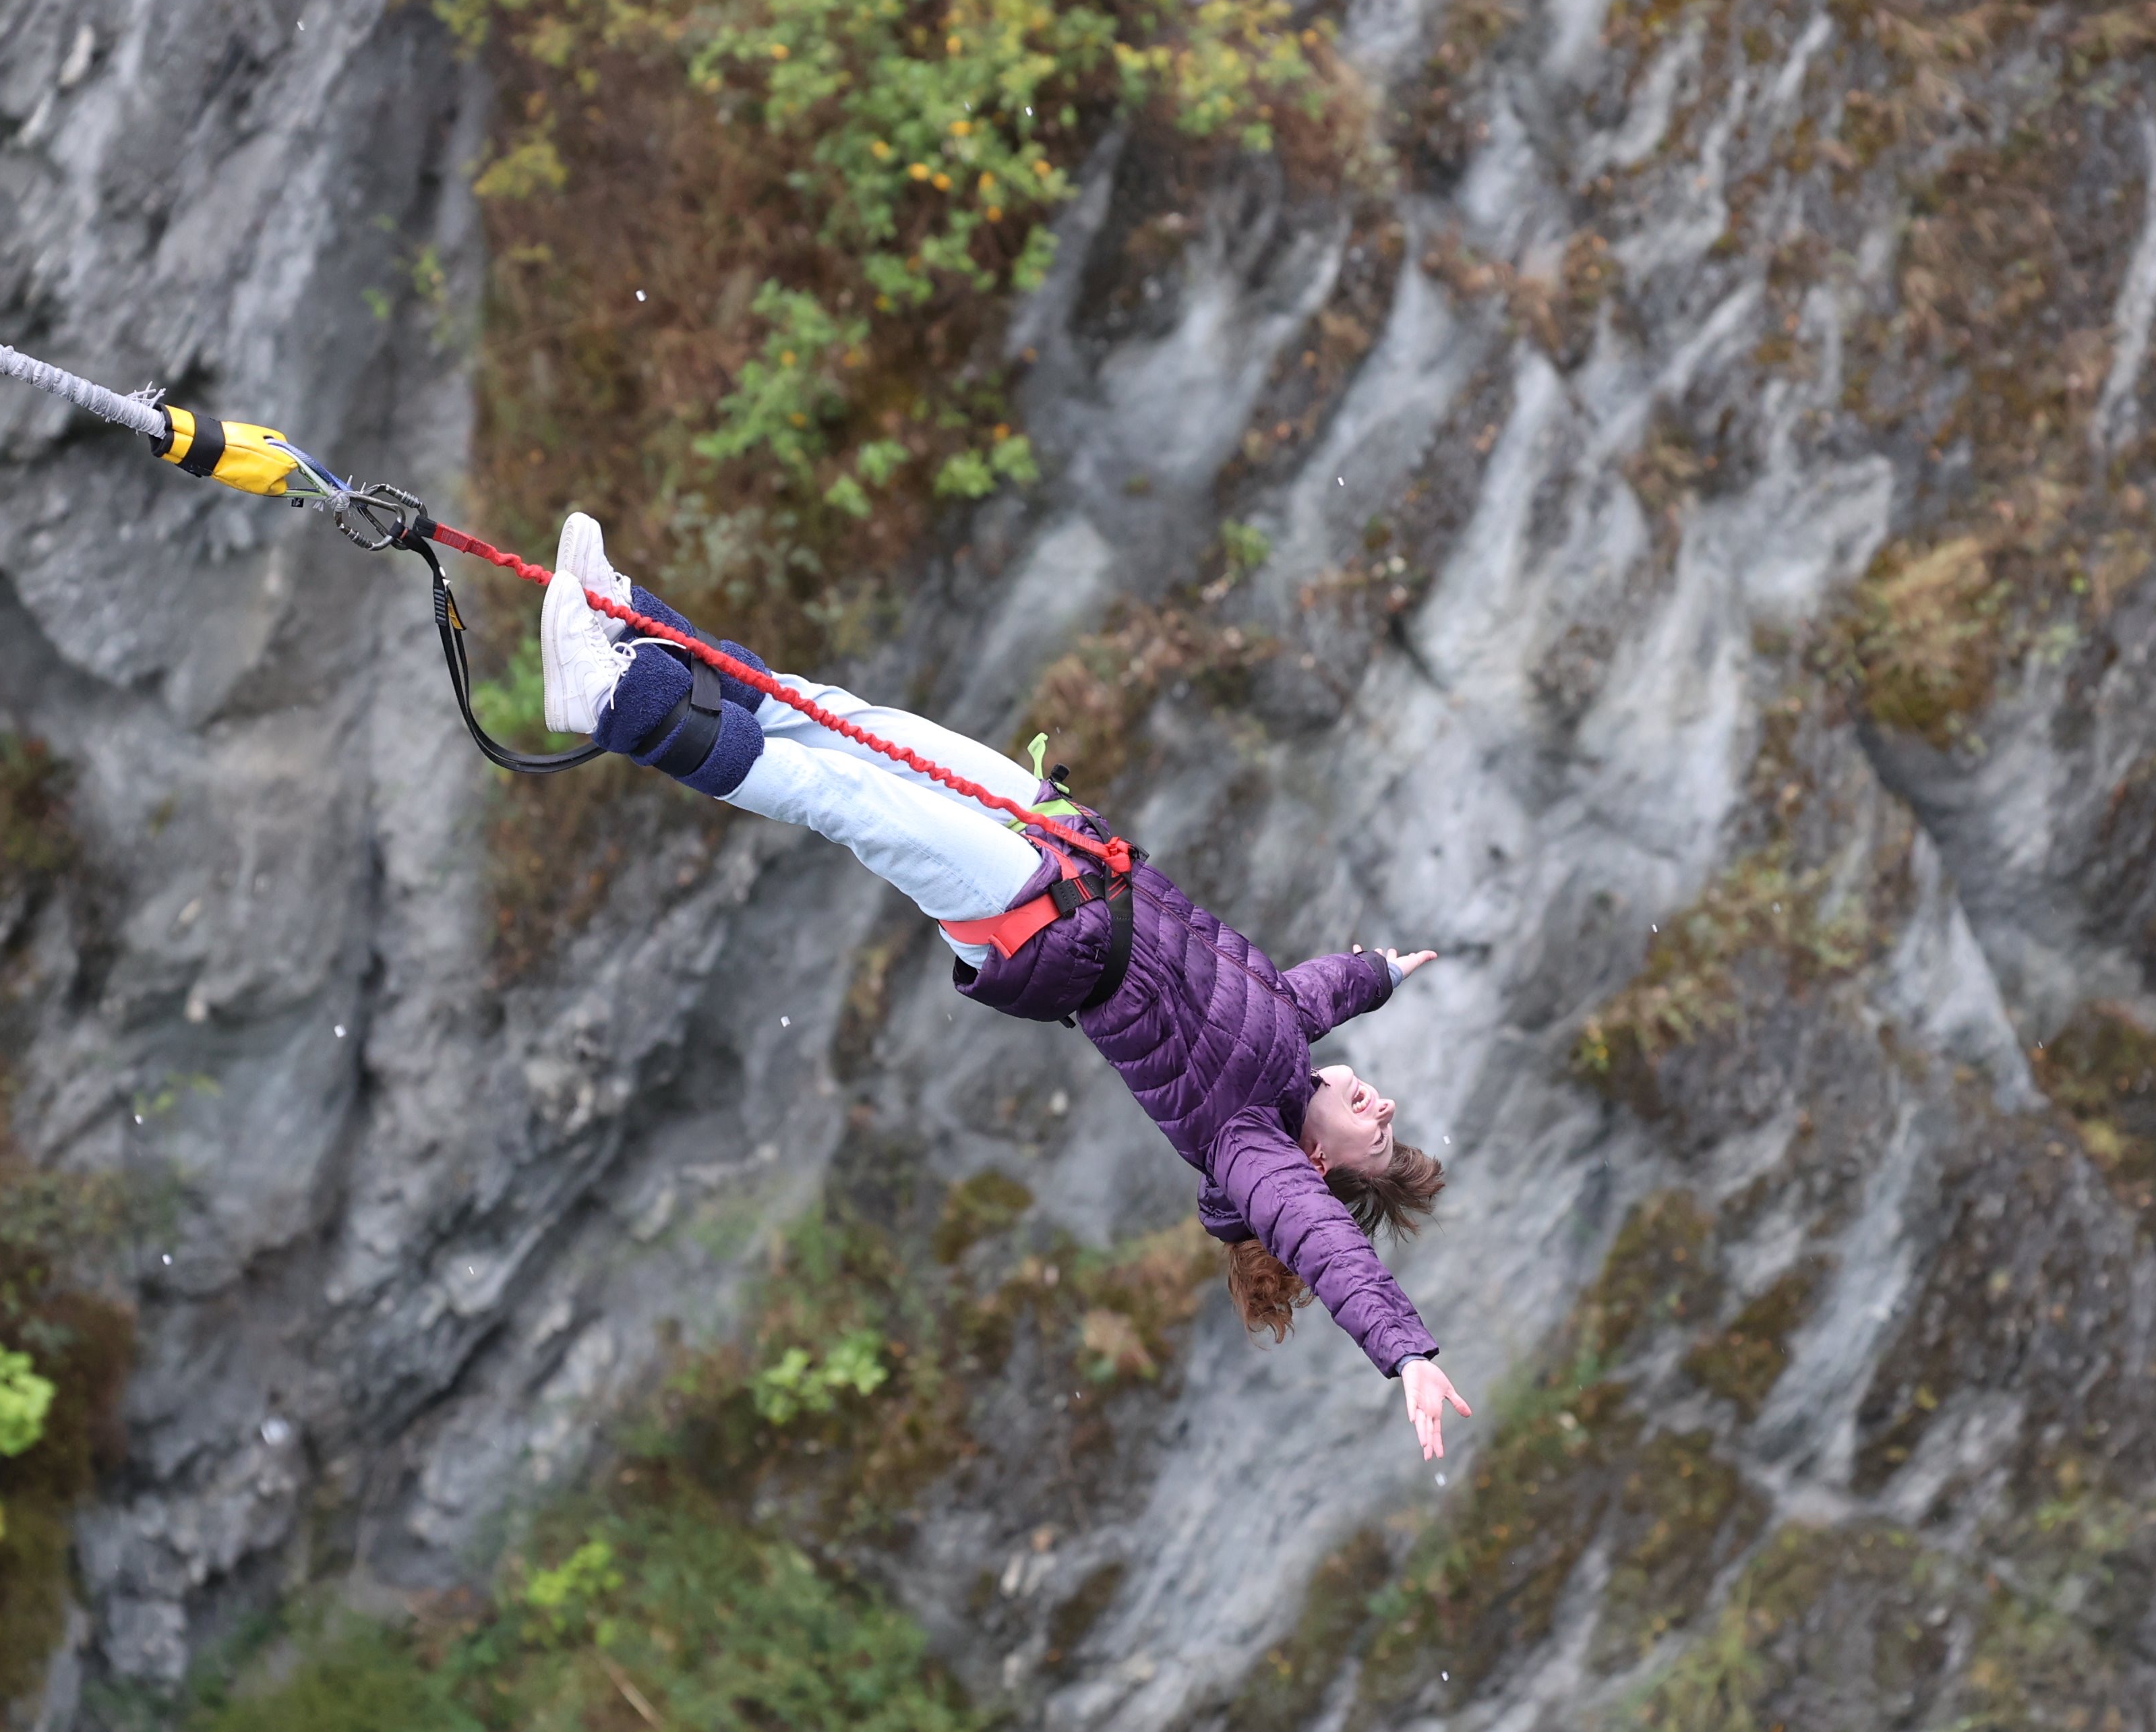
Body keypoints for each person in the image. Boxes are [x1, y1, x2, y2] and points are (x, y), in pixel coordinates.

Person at [537, 513, 1474, 1461]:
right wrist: (1382, 974)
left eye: (1379, 1130)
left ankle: (615, 700)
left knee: (840, 794)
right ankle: (625, 621)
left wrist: (1408, 1355)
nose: (1383, 1102)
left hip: (1037, 917)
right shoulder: (1282, 1040)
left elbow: (1327, 1249)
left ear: (1315, 1164)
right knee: (837, 719)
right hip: (1058, 839)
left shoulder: (1247, 1149)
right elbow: (1319, 989)